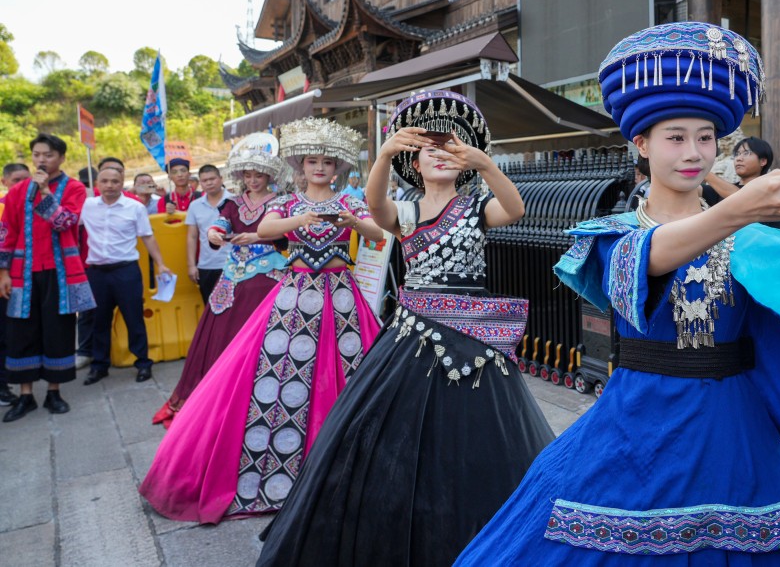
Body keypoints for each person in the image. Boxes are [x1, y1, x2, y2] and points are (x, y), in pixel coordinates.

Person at [455, 22, 780, 565]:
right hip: (635, 422)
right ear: (641, 143)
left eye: (706, 137)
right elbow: (650, 257)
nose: (694, 152)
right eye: (676, 137)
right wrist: (738, 208)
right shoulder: (612, 234)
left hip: (734, 428)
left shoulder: (749, 236)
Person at [257, 90, 555, 567]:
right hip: (412, 337)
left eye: (450, 147)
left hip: (475, 338)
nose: (439, 153)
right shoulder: (406, 210)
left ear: (464, 161)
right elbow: (374, 207)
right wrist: (383, 154)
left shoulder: (478, 207)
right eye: (428, 147)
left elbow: (515, 209)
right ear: (413, 161)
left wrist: (487, 164)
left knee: (477, 443)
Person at [139, 117, 383, 524]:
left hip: (342, 296)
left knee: (351, 371)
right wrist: (299, 222)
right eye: (311, 162)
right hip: (296, 295)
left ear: (338, 168)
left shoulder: (349, 201)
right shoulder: (287, 203)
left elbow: (378, 232)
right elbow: (269, 228)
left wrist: (354, 222)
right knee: (278, 375)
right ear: (300, 167)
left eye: (327, 162)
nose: (319, 168)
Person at [152, 140, 291, 428]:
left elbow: (286, 237)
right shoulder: (233, 203)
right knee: (220, 331)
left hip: (269, 275)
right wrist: (215, 233)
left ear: (269, 177)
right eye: (248, 176)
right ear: (241, 177)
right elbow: (222, 223)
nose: (253, 181)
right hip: (234, 275)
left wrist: (259, 237)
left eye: (259, 175)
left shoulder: (281, 203)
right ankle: (221, 390)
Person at [0, 134, 96, 422]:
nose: (41, 160)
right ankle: (26, 395)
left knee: (58, 330)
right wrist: (3, 272)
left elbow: (65, 223)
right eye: (37, 154)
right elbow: (6, 233)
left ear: (62, 158)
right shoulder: (17, 193)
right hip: (22, 274)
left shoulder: (75, 189)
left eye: (48, 155)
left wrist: (44, 193)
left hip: (60, 273)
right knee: (20, 332)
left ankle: (54, 392)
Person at [79, 166, 171, 384]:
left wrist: (161, 264)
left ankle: (142, 363)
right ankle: (99, 365)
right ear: (97, 184)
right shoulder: (87, 207)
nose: (110, 186)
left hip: (126, 271)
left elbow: (148, 237)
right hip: (97, 273)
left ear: (122, 184)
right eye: (105, 181)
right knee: (99, 320)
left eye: (115, 181)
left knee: (134, 318)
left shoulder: (134, 207)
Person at [0, 163, 31, 406]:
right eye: (15, 180)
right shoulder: (3, 208)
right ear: (4, 182)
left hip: (17, 280)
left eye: (25, 179)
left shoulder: (29, 205)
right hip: (6, 279)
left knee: (11, 335)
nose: (20, 184)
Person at [184, 165, 233, 305]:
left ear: (221, 179)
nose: (209, 183)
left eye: (212, 178)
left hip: (233, 264)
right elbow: (192, 237)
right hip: (207, 266)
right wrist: (191, 265)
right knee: (210, 309)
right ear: (200, 183)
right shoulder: (195, 205)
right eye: (205, 180)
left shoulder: (235, 200)